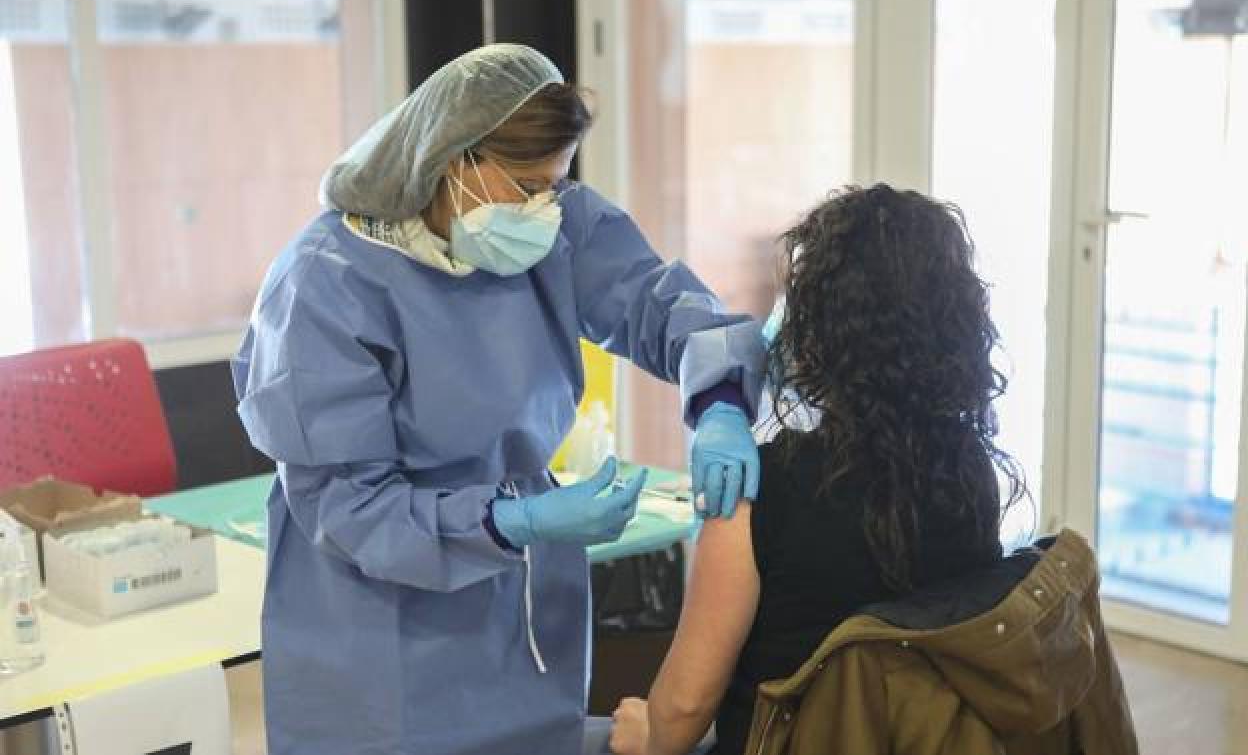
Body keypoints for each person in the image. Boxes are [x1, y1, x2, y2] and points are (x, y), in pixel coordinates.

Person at [232, 44, 764, 755]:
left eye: (557, 183)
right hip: (377, 614)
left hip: (514, 595)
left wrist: (722, 399)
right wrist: (513, 521)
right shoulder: (324, 286)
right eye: (526, 184)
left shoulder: (552, 225)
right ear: (451, 162)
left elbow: (656, 303)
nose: (546, 207)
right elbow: (350, 506)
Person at [608, 185, 1039, 755]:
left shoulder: (758, 493)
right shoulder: (970, 473)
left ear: (817, 330)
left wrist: (645, 734)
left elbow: (684, 709)